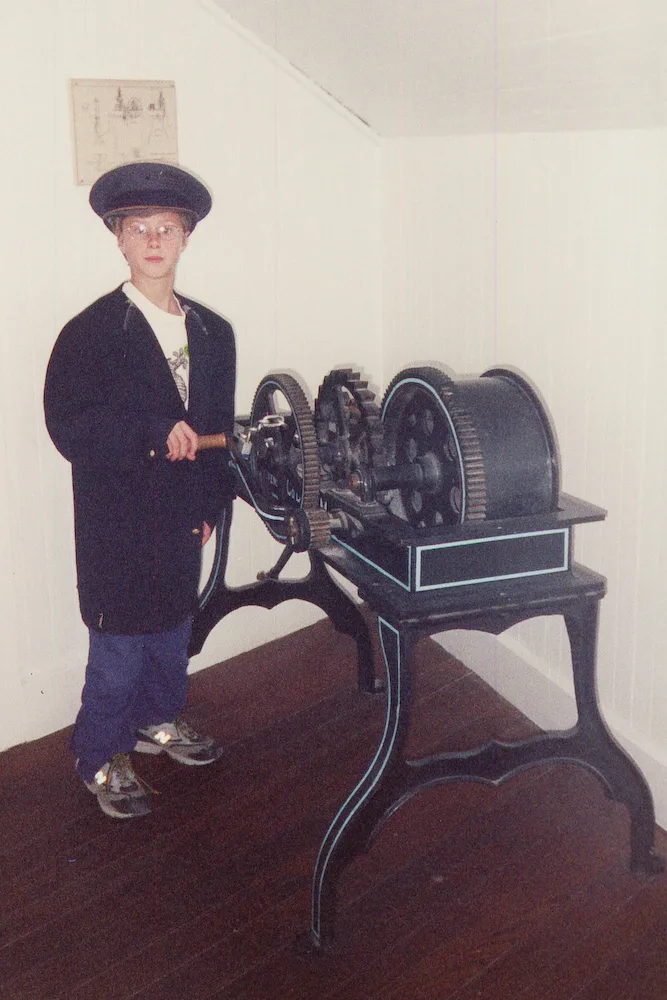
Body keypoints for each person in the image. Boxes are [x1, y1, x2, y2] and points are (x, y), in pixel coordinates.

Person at [44, 162, 236, 819]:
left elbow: (216, 427)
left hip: (182, 517)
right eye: (139, 228)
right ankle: (98, 753)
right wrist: (151, 433)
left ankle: (159, 720)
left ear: (186, 237)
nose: (154, 240)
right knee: (119, 651)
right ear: (119, 239)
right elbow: (69, 424)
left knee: (172, 635)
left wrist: (210, 506)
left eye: (168, 228)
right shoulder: (90, 333)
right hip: (117, 522)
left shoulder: (213, 333)